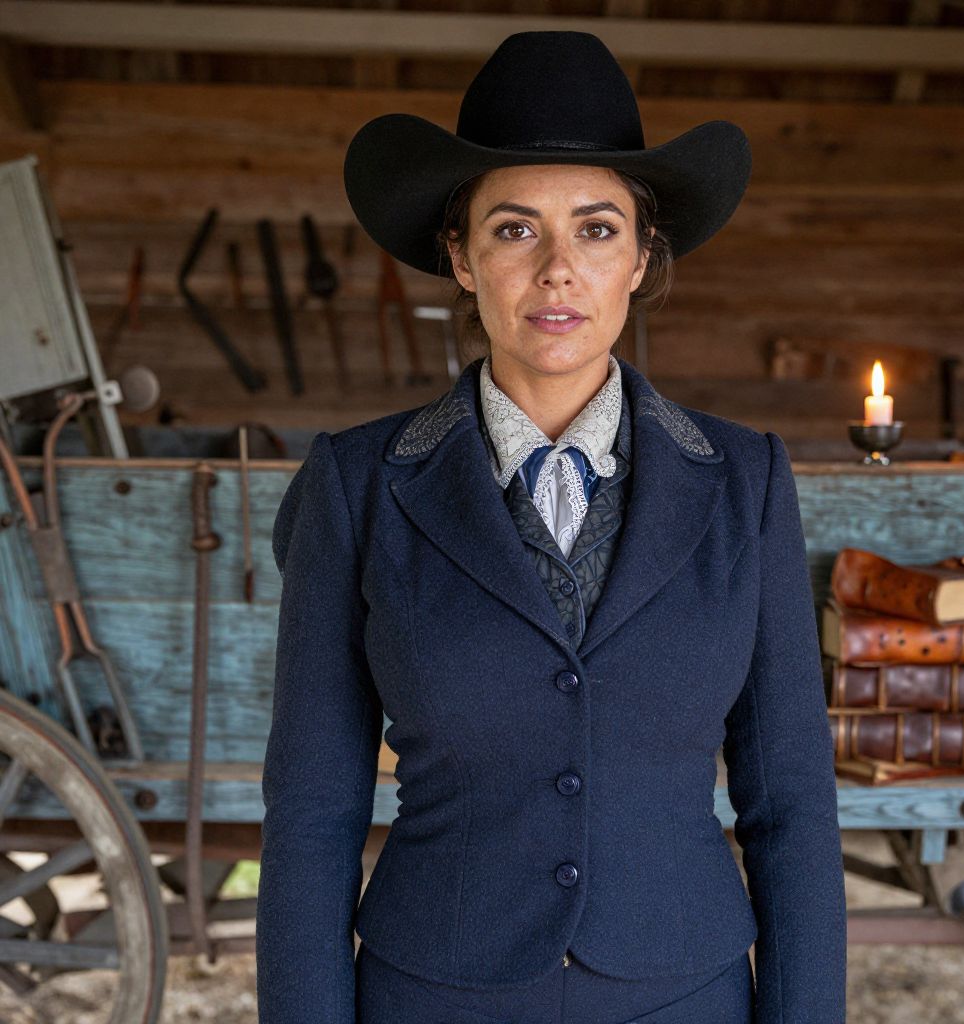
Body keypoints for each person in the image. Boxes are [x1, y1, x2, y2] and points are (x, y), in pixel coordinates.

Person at [255, 29, 847, 1024]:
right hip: (434, 995)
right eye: (516, 229)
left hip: (685, 994)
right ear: (461, 254)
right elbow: (314, 812)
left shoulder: (746, 480)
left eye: (598, 229)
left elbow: (790, 803)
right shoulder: (357, 483)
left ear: (643, 255)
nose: (559, 269)